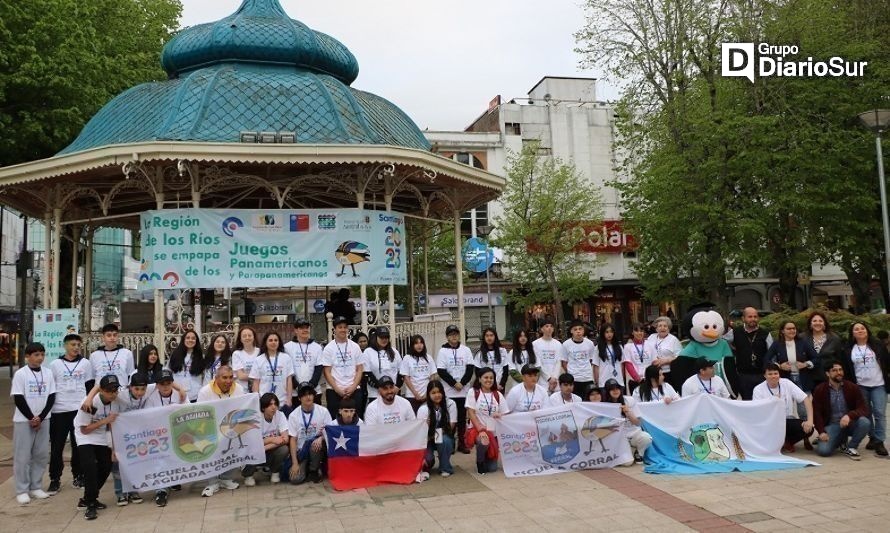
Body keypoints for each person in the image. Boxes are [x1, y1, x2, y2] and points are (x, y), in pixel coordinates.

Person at [48, 334, 94, 494]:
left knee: (78, 445)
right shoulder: (55, 364)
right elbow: (50, 388)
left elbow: (90, 386)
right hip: (59, 410)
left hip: (78, 410)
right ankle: (55, 478)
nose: (76, 348)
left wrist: (89, 407)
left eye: (78, 345)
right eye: (73, 344)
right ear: (65, 345)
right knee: (57, 447)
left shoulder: (86, 363)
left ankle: (78, 475)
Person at [12, 342, 56, 505]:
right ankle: (22, 489)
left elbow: (51, 396)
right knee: (23, 456)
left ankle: (36, 486)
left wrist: (41, 417)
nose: (40, 358)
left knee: (41, 454)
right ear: (27, 357)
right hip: (24, 421)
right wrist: (31, 417)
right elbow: (18, 397)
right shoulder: (21, 374)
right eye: (36, 355)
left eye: (42, 354)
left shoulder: (48, 373)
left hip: (44, 420)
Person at [74, 375, 120, 519]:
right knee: (90, 468)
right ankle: (91, 504)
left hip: (100, 435)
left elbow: (113, 426)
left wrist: (114, 449)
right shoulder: (89, 403)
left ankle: (87, 498)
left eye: (115, 390)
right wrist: (105, 420)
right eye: (110, 391)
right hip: (85, 435)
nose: (113, 394)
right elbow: (84, 430)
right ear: (102, 391)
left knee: (106, 466)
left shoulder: (115, 402)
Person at [841, 322, 890, 456]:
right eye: (856, 329)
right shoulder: (848, 349)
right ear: (853, 333)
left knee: (880, 413)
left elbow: (887, 362)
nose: (860, 331)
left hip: (879, 384)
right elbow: (846, 369)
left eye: (862, 328)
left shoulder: (878, 345)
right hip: (860, 386)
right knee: (866, 413)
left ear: (867, 330)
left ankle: (880, 442)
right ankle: (872, 438)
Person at [196, 365, 242, 497]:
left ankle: (226, 478)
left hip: (231, 428)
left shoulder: (238, 388)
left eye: (230, 377)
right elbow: (200, 414)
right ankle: (212, 482)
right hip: (211, 430)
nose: (228, 381)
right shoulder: (205, 391)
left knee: (236, 444)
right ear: (216, 378)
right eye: (224, 378)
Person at [812, 360, 871, 460]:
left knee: (865, 422)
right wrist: (821, 432)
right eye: (834, 370)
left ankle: (851, 447)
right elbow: (816, 413)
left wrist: (849, 415)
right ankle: (839, 440)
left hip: (850, 423)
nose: (839, 372)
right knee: (824, 451)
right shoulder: (820, 389)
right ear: (827, 373)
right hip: (832, 425)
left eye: (840, 370)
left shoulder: (852, 387)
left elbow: (864, 408)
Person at [143, 369, 185, 506]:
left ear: (173, 383)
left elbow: (187, 412)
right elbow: (148, 418)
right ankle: (160, 490)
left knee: (177, 457)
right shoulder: (151, 398)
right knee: (159, 461)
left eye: (168, 383)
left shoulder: (180, 394)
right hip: (159, 433)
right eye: (162, 383)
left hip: (177, 431)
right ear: (157, 385)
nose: (165, 386)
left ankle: (173, 480)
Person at [752, 363, 814, 452]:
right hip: (769, 422)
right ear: (764, 375)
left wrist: (810, 420)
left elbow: (806, 399)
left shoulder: (786, 383)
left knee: (809, 429)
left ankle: (787, 442)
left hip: (787, 420)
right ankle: (779, 442)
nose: (773, 376)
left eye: (776, 373)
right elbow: (757, 411)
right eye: (770, 374)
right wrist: (772, 402)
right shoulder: (758, 389)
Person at [109, 372, 150, 506]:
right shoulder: (119, 397)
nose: (140, 392)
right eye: (136, 389)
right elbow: (112, 421)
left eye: (143, 389)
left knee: (135, 464)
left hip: (136, 436)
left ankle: (133, 491)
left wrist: (180, 389)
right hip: (119, 435)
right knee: (118, 465)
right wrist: (114, 448)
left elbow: (168, 382)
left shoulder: (148, 392)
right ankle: (120, 493)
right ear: (130, 387)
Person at [436, 324, 474, 454]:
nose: (454, 337)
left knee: (462, 419)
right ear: (447, 337)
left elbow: (470, 369)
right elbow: (441, 371)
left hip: (463, 391)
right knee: (449, 418)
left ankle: (462, 444)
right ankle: (450, 443)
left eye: (456, 334)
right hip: (449, 391)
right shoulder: (442, 351)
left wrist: (462, 383)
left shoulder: (466, 350)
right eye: (451, 334)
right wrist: (454, 383)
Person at [466, 367, 510, 474]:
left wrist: (499, 415)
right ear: (479, 379)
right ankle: (480, 461)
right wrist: (480, 429)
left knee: (492, 469)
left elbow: (505, 413)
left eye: (491, 378)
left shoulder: (497, 394)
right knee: (483, 441)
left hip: (494, 432)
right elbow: (471, 412)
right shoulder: (473, 392)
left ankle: (487, 456)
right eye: (486, 377)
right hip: (478, 430)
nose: (489, 380)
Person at [288, 382, 332, 484]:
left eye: (310, 394)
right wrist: (295, 463)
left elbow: (330, 431)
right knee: (295, 479)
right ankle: (307, 466)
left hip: (317, 448)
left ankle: (314, 469)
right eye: (304, 395)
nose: (308, 397)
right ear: (299, 398)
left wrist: (321, 438)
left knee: (314, 443)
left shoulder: (323, 411)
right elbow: (293, 440)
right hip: (302, 451)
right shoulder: (293, 415)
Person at [321, 316, 364, 418]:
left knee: (356, 420)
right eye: (340, 327)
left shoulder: (355, 346)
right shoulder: (329, 348)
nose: (343, 330)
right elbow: (327, 372)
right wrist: (337, 389)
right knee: (335, 420)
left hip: (354, 389)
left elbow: (360, 369)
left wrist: (353, 387)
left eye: (345, 327)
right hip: (334, 390)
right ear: (334, 329)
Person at [243, 392, 289, 486]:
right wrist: (272, 440)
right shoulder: (255, 418)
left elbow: (285, 439)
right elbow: (252, 443)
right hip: (255, 450)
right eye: (270, 405)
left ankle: (275, 472)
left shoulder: (280, 415)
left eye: (275, 404)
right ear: (263, 407)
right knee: (253, 450)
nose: (273, 407)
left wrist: (264, 448)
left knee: (284, 449)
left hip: (268, 449)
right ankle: (248, 475)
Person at [602, 378, 651, 464]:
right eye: (612, 389)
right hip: (619, 439)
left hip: (634, 434)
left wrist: (628, 412)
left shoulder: (629, 400)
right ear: (607, 391)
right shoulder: (604, 405)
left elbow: (638, 422)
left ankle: (639, 453)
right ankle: (629, 451)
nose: (615, 391)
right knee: (627, 463)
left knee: (646, 438)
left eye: (617, 388)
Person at [731, 307, 774, 400]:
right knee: (747, 402)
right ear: (743, 318)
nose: (753, 319)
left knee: (763, 402)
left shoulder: (765, 333)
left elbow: (771, 353)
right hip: (743, 375)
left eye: (755, 316)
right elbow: (723, 341)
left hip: (761, 375)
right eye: (750, 317)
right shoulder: (735, 332)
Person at [766, 321, 819, 393]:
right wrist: (779, 366)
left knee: (804, 403)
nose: (792, 330)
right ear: (782, 331)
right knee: (787, 402)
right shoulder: (777, 344)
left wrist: (805, 364)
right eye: (789, 329)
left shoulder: (803, 342)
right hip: (785, 378)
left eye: (794, 328)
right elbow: (766, 359)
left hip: (803, 379)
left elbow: (816, 358)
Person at [417, 381, 457, 477]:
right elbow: (420, 433)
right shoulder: (423, 409)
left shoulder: (450, 404)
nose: (437, 395)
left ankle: (445, 467)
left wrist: (436, 434)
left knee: (446, 441)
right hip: (427, 439)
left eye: (439, 392)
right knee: (428, 460)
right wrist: (426, 426)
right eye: (433, 393)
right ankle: (428, 462)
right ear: (428, 394)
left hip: (443, 434)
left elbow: (451, 426)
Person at [249, 331, 294, 411]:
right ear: (265, 342)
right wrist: (258, 400)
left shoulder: (286, 358)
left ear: (279, 342)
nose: (273, 342)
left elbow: (289, 380)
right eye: (270, 340)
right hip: (265, 402)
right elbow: (256, 383)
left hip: (282, 401)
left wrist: (289, 399)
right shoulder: (259, 360)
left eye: (276, 340)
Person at [284, 318, 324, 406]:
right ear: (295, 330)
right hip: (295, 392)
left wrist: (310, 386)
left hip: (314, 392)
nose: (305, 330)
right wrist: (298, 387)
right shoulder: (287, 347)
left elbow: (319, 368)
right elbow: (287, 370)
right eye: (301, 328)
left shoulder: (317, 347)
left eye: (307, 327)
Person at [800, 311, 843, 389]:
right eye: (814, 321)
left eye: (820, 321)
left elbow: (839, 359)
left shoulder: (834, 338)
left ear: (824, 324)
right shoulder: (802, 338)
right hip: (808, 378)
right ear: (810, 324)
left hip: (829, 378)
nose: (817, 323)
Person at [88, 323, 134, 390]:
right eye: (109, 335)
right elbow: (91, 378)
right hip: (101, 394)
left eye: (115, 335)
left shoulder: (127, 353)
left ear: (118, 336)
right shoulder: (94, 355)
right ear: (103, 337)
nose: (112, 338)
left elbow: (130, 376)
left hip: (121, 392)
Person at [560, 319, 597, 399]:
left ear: (583, 330)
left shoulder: (589, 343)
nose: (578, 331)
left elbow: (591, 360)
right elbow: (564, 362)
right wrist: (570, 371)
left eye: (580, 329)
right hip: (574, 379)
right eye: (575, 329)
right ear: (571, 331)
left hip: (587, 378)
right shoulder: (566, 344)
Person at [166, 330, 206, 402]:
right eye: (188, 338)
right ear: (183, 340)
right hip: (177, 395)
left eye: (193, 338)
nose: (190, 340)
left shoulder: (201, 357)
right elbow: (168, 374)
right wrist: (178, 389)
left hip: (195, 396)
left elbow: (205, 376)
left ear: (196, 341)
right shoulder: (175, 354)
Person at [400, 334, 437, 412]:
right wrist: (415, 394)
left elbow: (432, 376)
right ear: (412, 345)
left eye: (421, 343)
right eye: (416, 343)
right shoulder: (407, 358)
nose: (419, 345)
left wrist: (428, 392)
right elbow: (406, 378)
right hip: (412, 395)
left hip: (427, 395)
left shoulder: (428, 357)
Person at [645, 317, 682, 390]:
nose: (663, 328)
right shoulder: (651, 337)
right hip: (653, 372)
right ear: (656, 329)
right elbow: (645, 349)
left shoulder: (673, 340)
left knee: (667, 391)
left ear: (669, 328)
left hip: (667, 372)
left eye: (665, 326)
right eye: (660, 326)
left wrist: (666, 360)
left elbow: (680, 356)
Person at [532, 318, 563, 393]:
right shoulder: (535, 344)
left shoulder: (558, 344)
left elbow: (558, 362)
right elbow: (538, 363)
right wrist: (549, 378)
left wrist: (554, 378)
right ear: (541, 329)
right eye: (547, 326)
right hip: (542, 380)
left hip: (555, 380)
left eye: (551, 326)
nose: (549, 328)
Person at [623, 323, 653, 394]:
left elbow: (654, 362)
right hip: (634, 381)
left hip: (648, 379)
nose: (639, 333)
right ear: (632, 332)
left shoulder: (650, 345)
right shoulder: (628, 346)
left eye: (641, 331)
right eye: (636, 331)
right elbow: (628, 364)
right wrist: (638, 379)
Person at [596, 323, 625, 391]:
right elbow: (596, 366)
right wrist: (597, 381)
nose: (609, 334)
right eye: (607, 332)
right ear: (603, 333)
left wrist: (622, 378)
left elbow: (622, 364)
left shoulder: (619, 347)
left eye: (611, 332)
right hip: (603, 382)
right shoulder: (598, 348)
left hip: (618, 381)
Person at [232, 326, 260, 392]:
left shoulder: (260, 352)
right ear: (240, 339)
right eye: (244, 336)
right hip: (242, 390)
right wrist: (258, 375)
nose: (247, 338)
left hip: (258, 389)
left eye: (249, 335)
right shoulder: (236, 354)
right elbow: (241, 376)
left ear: (254, 337)